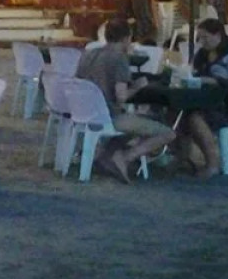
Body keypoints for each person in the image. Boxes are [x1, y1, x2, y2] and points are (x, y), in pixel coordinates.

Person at [75, 17, 175, 182]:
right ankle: (126, 157)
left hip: (83, 112)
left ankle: (106, 156)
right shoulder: (119, 58)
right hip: (109, 116)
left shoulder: (88, 54)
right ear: (127, 38)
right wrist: (138, 86)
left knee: (139, 122)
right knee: (167, 133)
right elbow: (121, 97)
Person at [179, 18, 228, 177]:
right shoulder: (203, 54)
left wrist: (211, 80)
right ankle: (182, 157)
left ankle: (213, 163)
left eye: (205, 37)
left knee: (195, 117)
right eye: (200, 38)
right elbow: (195, 73)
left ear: (218, 35)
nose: (201, 41)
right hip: (207, 101)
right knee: (179, 112)